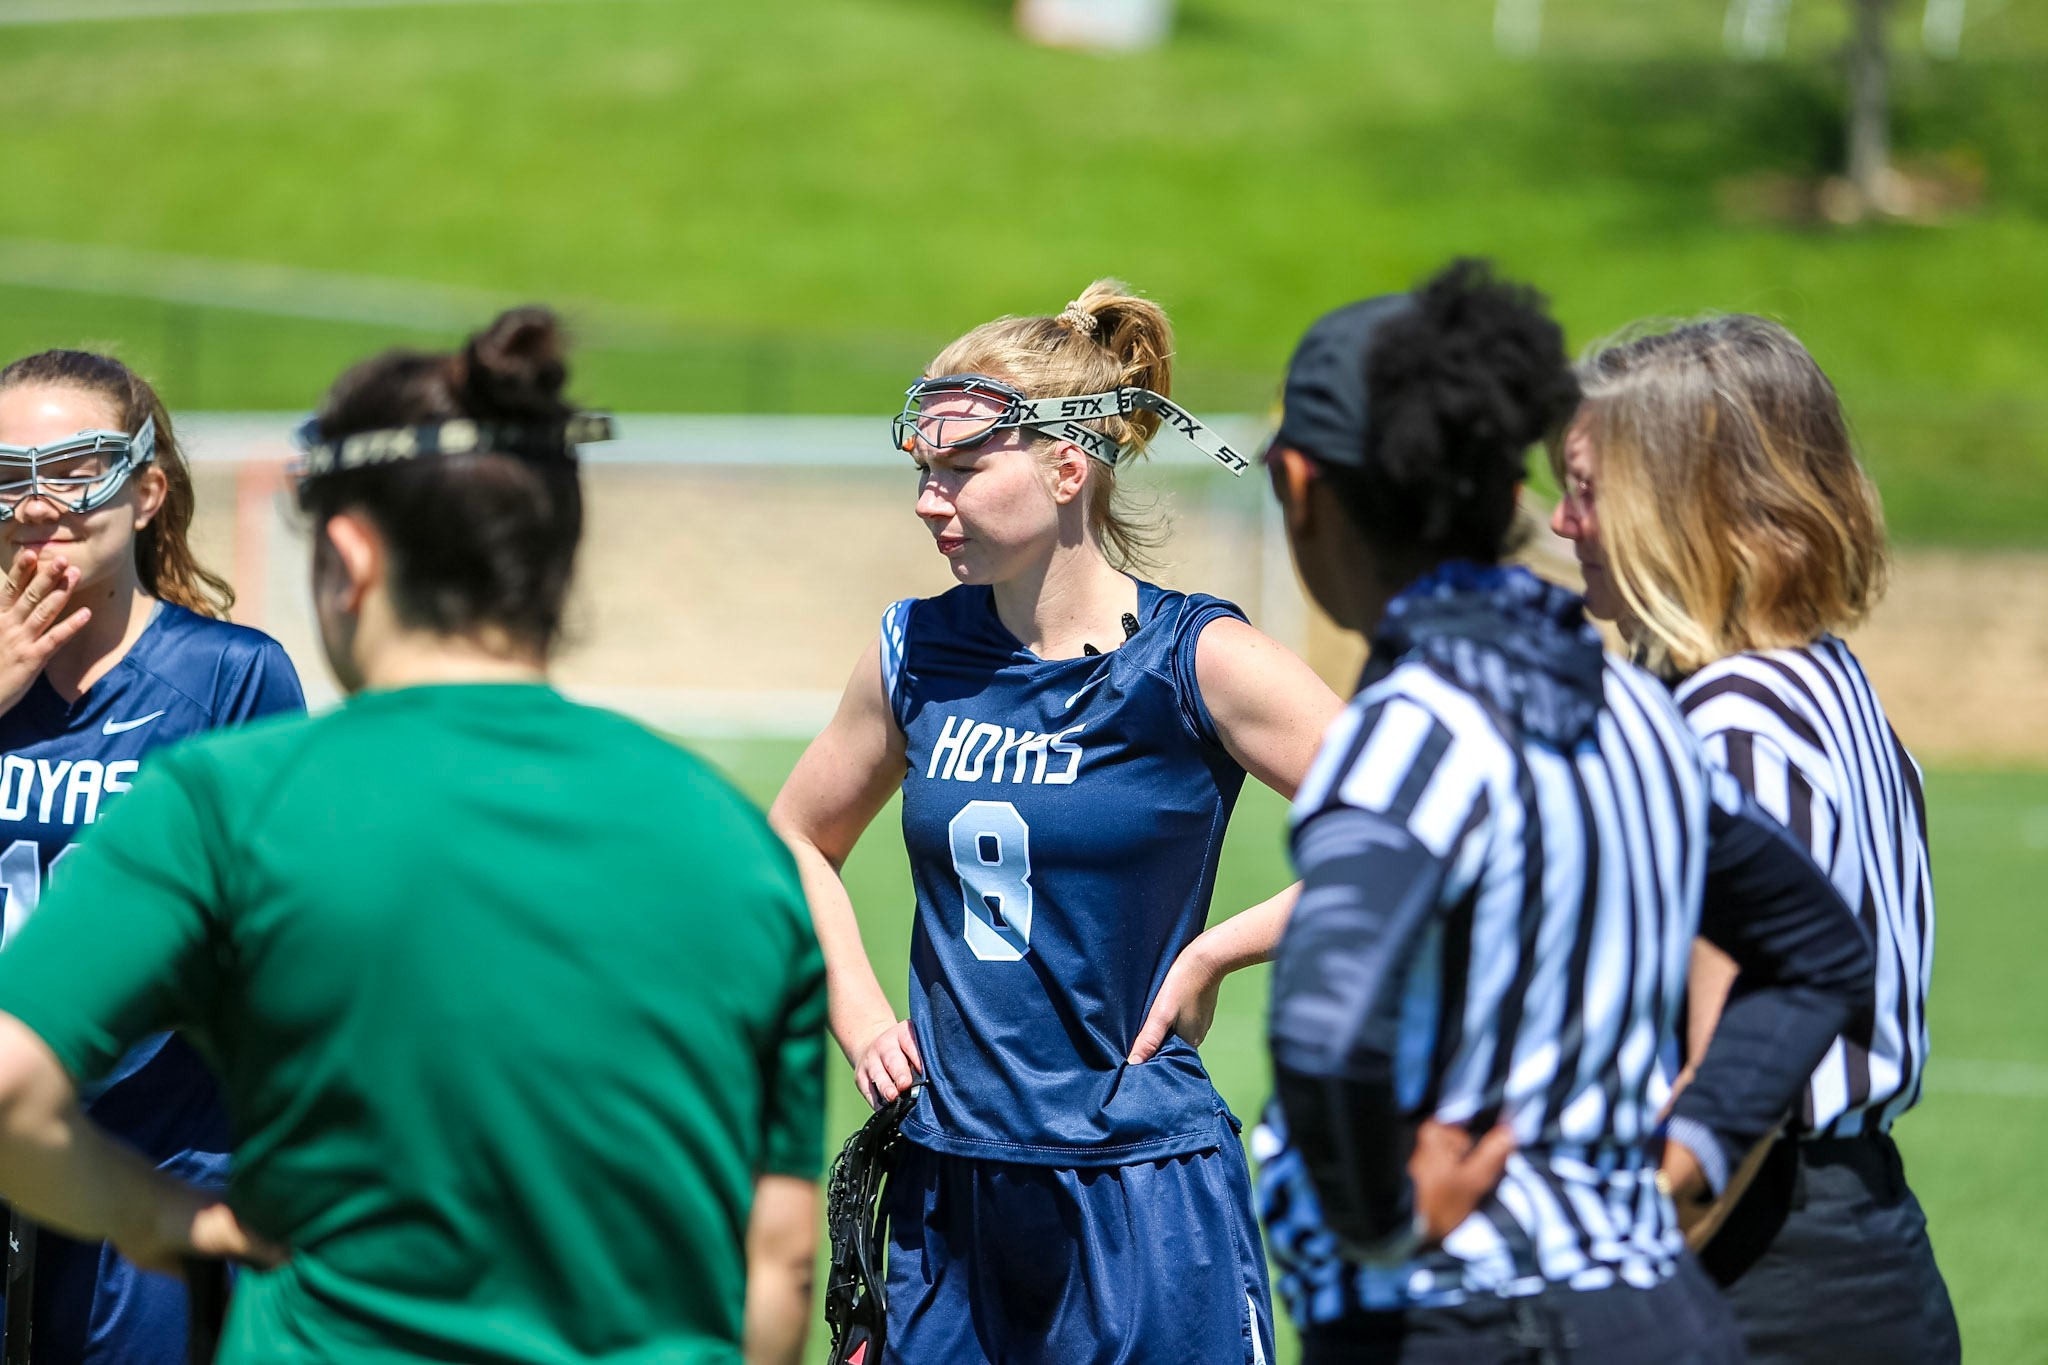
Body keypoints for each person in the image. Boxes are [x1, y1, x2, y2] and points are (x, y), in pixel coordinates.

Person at [0, 309, 827, 1365]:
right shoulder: (735, 843)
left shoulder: (229, 799)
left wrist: (165, 1224)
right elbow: (779, 1266)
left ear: (347, 556)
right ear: (558, 555)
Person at [1253, 259, 1875, 1363]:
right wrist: (1692, 1140)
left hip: (1466, 1321)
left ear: (1302, 490)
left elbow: (1319, 1028)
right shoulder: (1634, 706)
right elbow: (1818, 948)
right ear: (1510, 494)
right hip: (1660, 1318)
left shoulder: (1406, 731)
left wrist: (1382, 1226)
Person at [770, 280, 1343, 1365]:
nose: (929, 501)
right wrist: (858, 1014)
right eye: (921, 472)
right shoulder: (911, 653)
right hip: (949, 1189)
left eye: (960, 469)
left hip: (1140, 1187)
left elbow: (1431, 826)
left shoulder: (1196, 661)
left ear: (1066, 468)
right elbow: (796, 836)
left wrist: (1217, 952)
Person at [1550, 314, 1959, 1364]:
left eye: (1588, 489)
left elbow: (1731, 1091)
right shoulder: (1816, 676)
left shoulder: (1734, 721)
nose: (1561, 522)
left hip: (1759, 1261)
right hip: (1829, 1248)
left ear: (1687, 503)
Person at [0, 349, 304, 1365]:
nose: (39, 502)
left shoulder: (232, 678)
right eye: (8, 473)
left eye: (77, 466)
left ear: (146, 489)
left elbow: (277, 943)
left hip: (163, 1155)